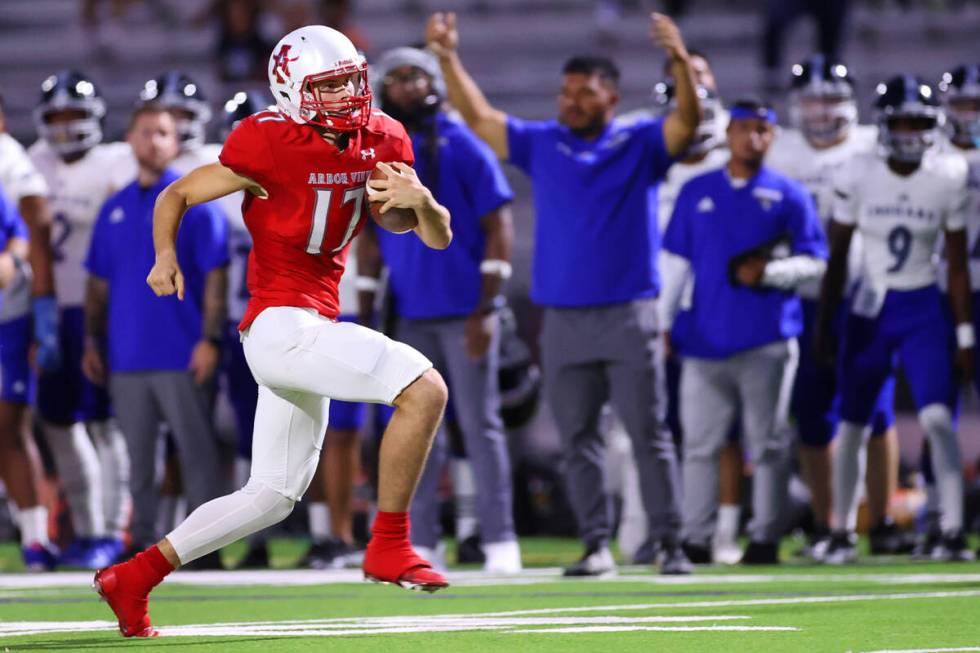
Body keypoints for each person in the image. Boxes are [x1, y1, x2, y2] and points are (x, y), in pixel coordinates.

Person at [93, 25, 453, 638]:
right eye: (329, 85)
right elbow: (177, 194)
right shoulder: (266, 141)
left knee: (271, 495)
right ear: (291, 90)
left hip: (313, 322)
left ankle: (133, 577)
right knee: (425, 389)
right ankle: (389, 543)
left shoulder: (383, 136)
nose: (347, 94)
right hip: (279, 324)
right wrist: (163, 256)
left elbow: (432, 235)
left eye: (350, 81)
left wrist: (422, 201)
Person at [426, 11, 699, 575]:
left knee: (648, 435)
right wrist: (448, 58)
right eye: (566, 91)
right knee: (579, 441)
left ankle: (670, 543)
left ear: (611, 99)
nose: (570, 101)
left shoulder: (640, 141)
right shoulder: (544, 142)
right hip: (563, 320)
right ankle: (596, 545)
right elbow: (480, 118)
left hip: (628, 313)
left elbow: (686, 124)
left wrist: (679, 61)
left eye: (585, 92)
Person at [364, 45, 520, 573]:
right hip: (409, 314)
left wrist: (488, 307)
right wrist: (365, 308)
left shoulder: (463, 144)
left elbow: (500, 226)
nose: (408, 87)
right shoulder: (379, 154)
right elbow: (367, 238)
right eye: (398, 79)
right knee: (414, 429)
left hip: (464, 309)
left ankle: (500, 538)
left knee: (480, 425)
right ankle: (420, 537)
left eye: (416, 77)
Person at [661, 99, 827, 565]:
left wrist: (772, 273)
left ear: (772, 137)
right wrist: (662, 322)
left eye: (762, 130)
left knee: (769, 444)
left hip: (767, 337)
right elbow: (675, 262)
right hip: (704, 338)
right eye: (744, 129)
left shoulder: (790, 194)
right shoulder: (696, 191)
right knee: (699, 445)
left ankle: (764, 536)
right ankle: (696, 537)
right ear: (728, 133)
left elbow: (816, 261)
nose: (752, 138)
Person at [816, 75, 973, 563]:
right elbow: (838, 255)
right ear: (883, 127)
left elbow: (957, 262)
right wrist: (826, 320)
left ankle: (951, 530)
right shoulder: (857, 171)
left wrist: (964, 333)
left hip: (923, 304)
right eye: (900, 122)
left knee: (938, 420)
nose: (909, 133)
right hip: (870, 307)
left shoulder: (947, 174)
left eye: (918, 123)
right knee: (855, 422)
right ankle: (840, 531)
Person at [766, 56, 908, 562]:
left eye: (831, 99)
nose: (821, 111)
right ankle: (831, 524)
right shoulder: (778, 150)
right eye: (812, 99)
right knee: (812, 414)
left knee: (875, 412)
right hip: (801, 298)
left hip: (865, 295)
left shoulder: (876, 144)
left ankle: (883, 519)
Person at [82, 104, 229, 562]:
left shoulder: (196, 202)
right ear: (129, 138)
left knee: (197, 456)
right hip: (126, 356)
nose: (153, 141)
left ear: (175, 141)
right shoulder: (113, 208)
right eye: (145, 131)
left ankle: (203, 549)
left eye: (162, 133)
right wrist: (92, 341)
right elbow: (97, 283)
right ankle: (141, 550)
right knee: (137, 463)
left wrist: (210, 339)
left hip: (182, 351)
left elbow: (217, 278)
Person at [618, 49, 740, 566]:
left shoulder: (737, 143)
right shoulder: (644, 139)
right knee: (642, 428)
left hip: (711, 307)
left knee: (717, 430)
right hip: (646, 302)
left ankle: (719, 531)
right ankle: (642, 529)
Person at [28, 70, 134, 568]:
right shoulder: (35, 162)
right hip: (49, 308)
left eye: (76, 115)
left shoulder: (115, 161)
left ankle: (111, 530)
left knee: (104, 422)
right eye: (58, 116)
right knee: (58, 422)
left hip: (100, 309)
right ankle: (88, 528)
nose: (67, 126)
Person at [0, 184, 58, 571]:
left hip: (7, 318)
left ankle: (36, 538)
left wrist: (11, 257)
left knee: (11, 427)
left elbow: (23, 233)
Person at [937, 63, 980, 558]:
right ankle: (940, 517)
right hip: (937, 295)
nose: (968, 115)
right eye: (962, 104)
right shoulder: (930, 155)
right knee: (935, 410)